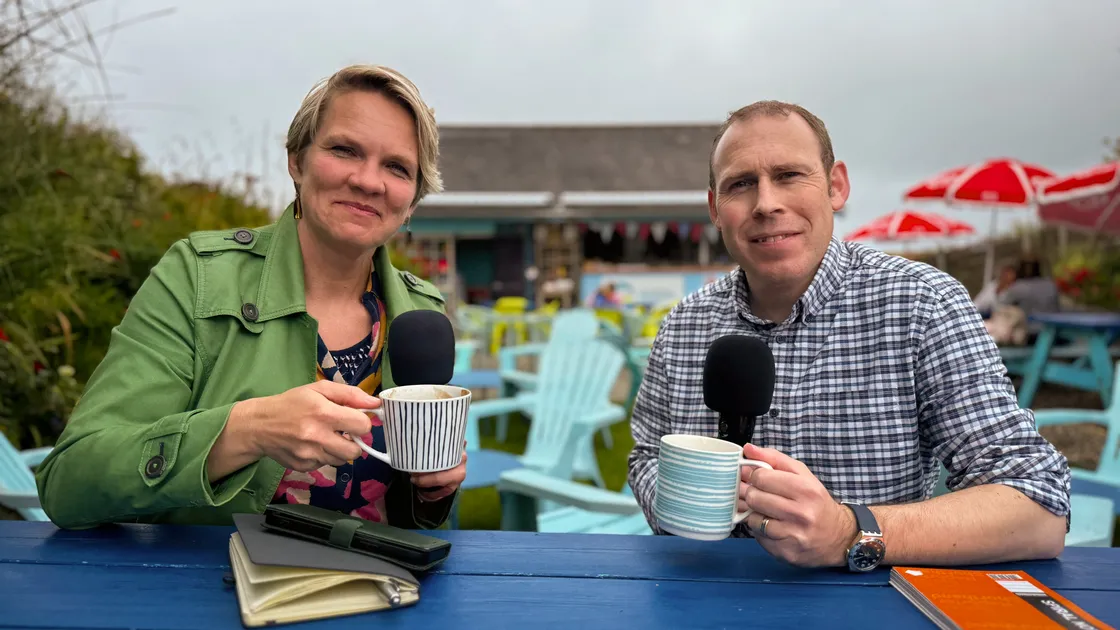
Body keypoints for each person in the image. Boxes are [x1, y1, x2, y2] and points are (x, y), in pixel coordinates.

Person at [627, 101, 1070, 571]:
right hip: (702, 589)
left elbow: (1038, 508)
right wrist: (684, 502)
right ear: (715, 209)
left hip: (870, 599)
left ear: (836, 186)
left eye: (789, 175)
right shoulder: (683, 326)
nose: (766, 203)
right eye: (741, 184)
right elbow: (646, 457)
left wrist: (848, 532)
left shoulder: (921, 304)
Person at [35, 64, 467, 529]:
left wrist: (432, 494)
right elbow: (69, 483)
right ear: (296, 160)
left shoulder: (420, 311)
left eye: (397, 167)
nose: (368, 180)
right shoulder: (197, 279)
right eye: (345, 150)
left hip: (382, 574)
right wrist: (246, 431)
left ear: (412, 199)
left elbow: (418, 518)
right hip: (220, 573)